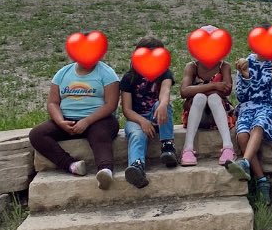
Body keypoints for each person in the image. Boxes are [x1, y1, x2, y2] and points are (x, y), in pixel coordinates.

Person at [29, 47, 120, 190]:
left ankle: (105, 170)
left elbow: (111, 105)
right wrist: (60, 121)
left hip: (99, 119)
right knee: (37, 134)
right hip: (67, 118)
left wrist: (87, 121)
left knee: (100, 135)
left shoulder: (107, 74)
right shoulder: (62, 73)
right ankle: (72, 165)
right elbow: (53, 102)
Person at [227, 47, 272, 204]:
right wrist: (245, 77)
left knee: (259, 125)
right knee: (242, 135)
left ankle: (245, 162)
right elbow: (241, 96)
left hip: (270, 107)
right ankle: (262, 180)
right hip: (248, 106)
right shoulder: (247, 63)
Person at [120, 37, 177, 190]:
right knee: (137, 135)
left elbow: (165, 91)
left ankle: (167, 146)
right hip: (136, 118)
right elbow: (126, 109)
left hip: (157, 115)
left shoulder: (165, 73)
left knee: (162, 105)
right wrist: (142, 121)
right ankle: (137, 167)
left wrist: (163, 103)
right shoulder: (129, 78)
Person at [180, 26, 235, 167]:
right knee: (199, 97)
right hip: (197, 116)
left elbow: (227, 90)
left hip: (218, 116)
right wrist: (213, 86)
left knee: (213, 98)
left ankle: (228, 147)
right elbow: (184, 91)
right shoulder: (192, 67)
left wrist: (202, 89)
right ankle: (188, 148)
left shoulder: (224, 66)